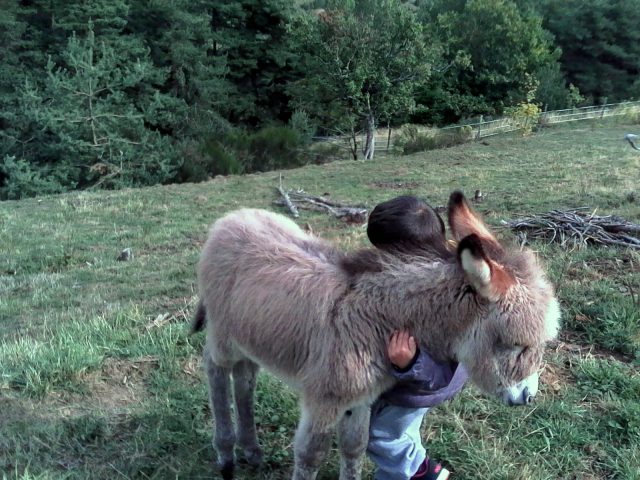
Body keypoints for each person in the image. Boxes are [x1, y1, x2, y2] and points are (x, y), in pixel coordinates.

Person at [365, 196, 469, 480]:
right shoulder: (425, 274)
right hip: (409, 383)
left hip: (420, 385)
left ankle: (423, 472)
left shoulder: (444, 302)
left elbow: (446, 371)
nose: (380, 260)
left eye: (385, 255)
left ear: (408, 257)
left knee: (381, 436)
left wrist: (411, 362)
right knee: (400, 430)